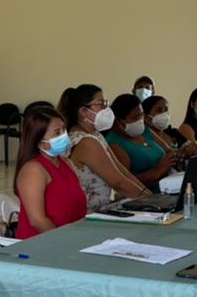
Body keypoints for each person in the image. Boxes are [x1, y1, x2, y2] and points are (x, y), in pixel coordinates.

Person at [59, 84, 151, 212]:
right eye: (101, 104)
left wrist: (150, 196)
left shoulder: (96, 135)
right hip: (89, 215)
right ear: (84, 111)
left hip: (103, 209)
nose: (107, 109)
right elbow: (118, 182)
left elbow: (122, 172)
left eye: (106, 103)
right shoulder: (85, 141)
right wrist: (152, 202)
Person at [14, 106, 87, 239]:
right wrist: (66, 240)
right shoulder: (33, 170)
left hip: (73, 236)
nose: (64, 135)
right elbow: (37, 220)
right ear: (40, 143)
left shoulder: (66, 162)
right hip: (41, 242)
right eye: (57, 133)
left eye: (64, 129)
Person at [104, 94, 183, 191]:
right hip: (146, 195)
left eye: (141, 115)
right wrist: (158, 170)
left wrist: (176, 156)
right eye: (135, 117)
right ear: (119, 121)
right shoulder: (114, 143)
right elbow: (125, 182)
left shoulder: (144, 130)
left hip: (170, 186)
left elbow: (169, 151)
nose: (140, 120)